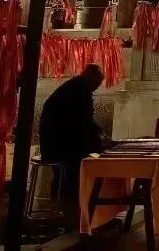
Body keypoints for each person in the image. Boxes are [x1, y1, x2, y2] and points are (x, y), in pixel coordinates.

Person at [39, 65, 110, 216]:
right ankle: (72, 210)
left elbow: (84, 121)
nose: (97, 88)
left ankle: (63, 208)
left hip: (53, 145)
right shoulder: (80, 92)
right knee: (78, 168)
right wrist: (100, 142)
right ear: (91, 79)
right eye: (97, 83)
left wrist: (98, 134)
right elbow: (81, 124)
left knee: (66, 172)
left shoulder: (72, 88)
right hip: (61, 148)